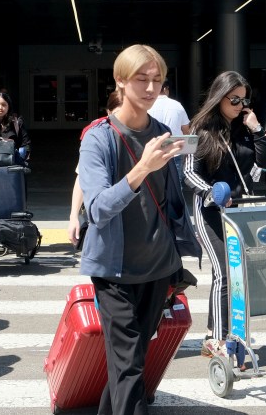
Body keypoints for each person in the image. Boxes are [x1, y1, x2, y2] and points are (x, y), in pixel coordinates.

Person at [77, 44, 200, 415]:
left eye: (157, 80)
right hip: (115, 272)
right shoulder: (99, 137)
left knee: (131, 364)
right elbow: (97, 209)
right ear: (120, 81)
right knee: (129, 365)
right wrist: (140, 169)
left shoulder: (162, 131)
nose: (150, 88)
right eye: (141, 79)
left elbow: (169, 200)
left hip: (157, 267)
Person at [182, 71, 266, 359]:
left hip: (241, 210)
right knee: (224, 273)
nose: (239, 104)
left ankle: (217, 330)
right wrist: (211, 193)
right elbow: (187, 172)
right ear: (219, 97)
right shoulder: (197, 128)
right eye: (234, 99)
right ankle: (219, 340)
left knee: (239, 274)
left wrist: (257, 129)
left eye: (244, 99)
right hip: (210, 210)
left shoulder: (245, 128)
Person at [67, 91, 121, 246]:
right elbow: (82, 177)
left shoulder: (143, 136)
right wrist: (74, 216)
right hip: (103, 215)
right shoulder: (96, 137)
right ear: (108, 112)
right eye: (118, 114)